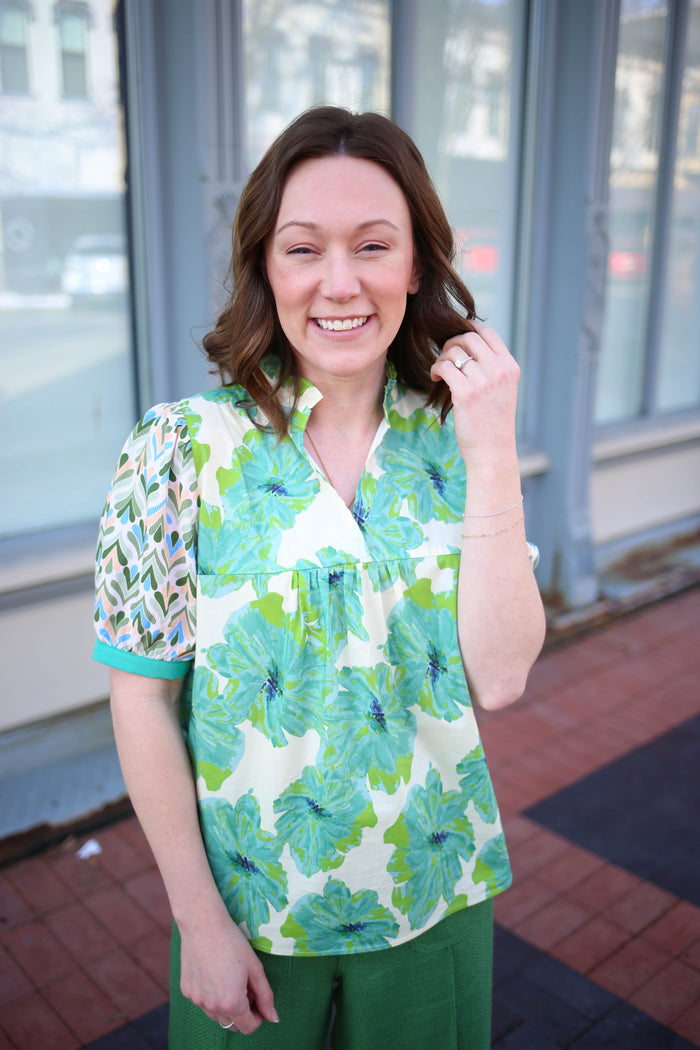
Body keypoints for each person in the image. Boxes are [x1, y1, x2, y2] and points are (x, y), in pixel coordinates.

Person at [93, 105, 546, 1050]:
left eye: (374, 245)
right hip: (249, 915)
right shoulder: (178, 448)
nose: (340, 283)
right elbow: (140, 699)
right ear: (267, 264)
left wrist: (492, 445)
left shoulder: (458, 437)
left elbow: (501, 680)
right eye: (304, 249)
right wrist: (200, 924)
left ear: (416, 263)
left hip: (436, 894)